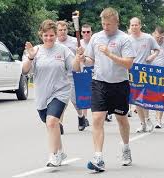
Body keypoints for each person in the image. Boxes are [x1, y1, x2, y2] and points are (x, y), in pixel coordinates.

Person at [74, 7, 136, 172]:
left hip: (119, 84)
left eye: (108, 24)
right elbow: (90, 61)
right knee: (97, 119)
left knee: (121, 119)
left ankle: (125, 148)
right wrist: (82, 58)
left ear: (117, 22)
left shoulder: (125, 39)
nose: (105, 27)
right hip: (99, 83)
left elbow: (129, 64)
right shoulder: (96, 37)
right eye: (103, 24)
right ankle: (98, 157)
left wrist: (109, 54)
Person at [22, 19, 78, 167]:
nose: (49, 38)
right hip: (42, 95)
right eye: (46, 35)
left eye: (52, 35)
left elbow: (75, 68)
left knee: (52, 122)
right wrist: (31, 57)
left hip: (60, 92)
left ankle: (53, 156)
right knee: (50, 125)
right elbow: (24, 70)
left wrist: (78, 58)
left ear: (56, 35)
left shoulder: (63, 50)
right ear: (41, 35)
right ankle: (60, 152)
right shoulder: (35, 51)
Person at [56, 20, 89, 131]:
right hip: (58, 76)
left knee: (75, 100)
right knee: (60, 101)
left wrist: (81, 53)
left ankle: (81, 116)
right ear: (56, 31)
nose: (62, 32)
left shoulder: (75, 41)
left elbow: (84, 55)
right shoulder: (53, 42)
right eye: (60, 30)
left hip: (73, 74)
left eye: (64, 30)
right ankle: (59, 124)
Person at [129, 17, 160, 133]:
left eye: (136, 25)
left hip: (145, 72)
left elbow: (157, 49)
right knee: (136, 99)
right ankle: (142, 123)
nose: (134, 27)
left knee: (144, 98)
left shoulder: (148, 38)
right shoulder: (127, 39)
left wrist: (152, 56)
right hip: (132, 72)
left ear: (140, 25)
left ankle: (147, 119)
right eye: (132, 25)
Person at [80, 24, 93, 123]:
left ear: (91, 32)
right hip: (83, 70)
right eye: (84, 32)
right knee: (84, 94)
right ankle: (85, 117)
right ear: (81, 33)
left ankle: (104, 113)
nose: (86, 34)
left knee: (96, 94)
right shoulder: (78, 43)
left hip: (94, 70)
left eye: (88, 32)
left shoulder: (95, 42)